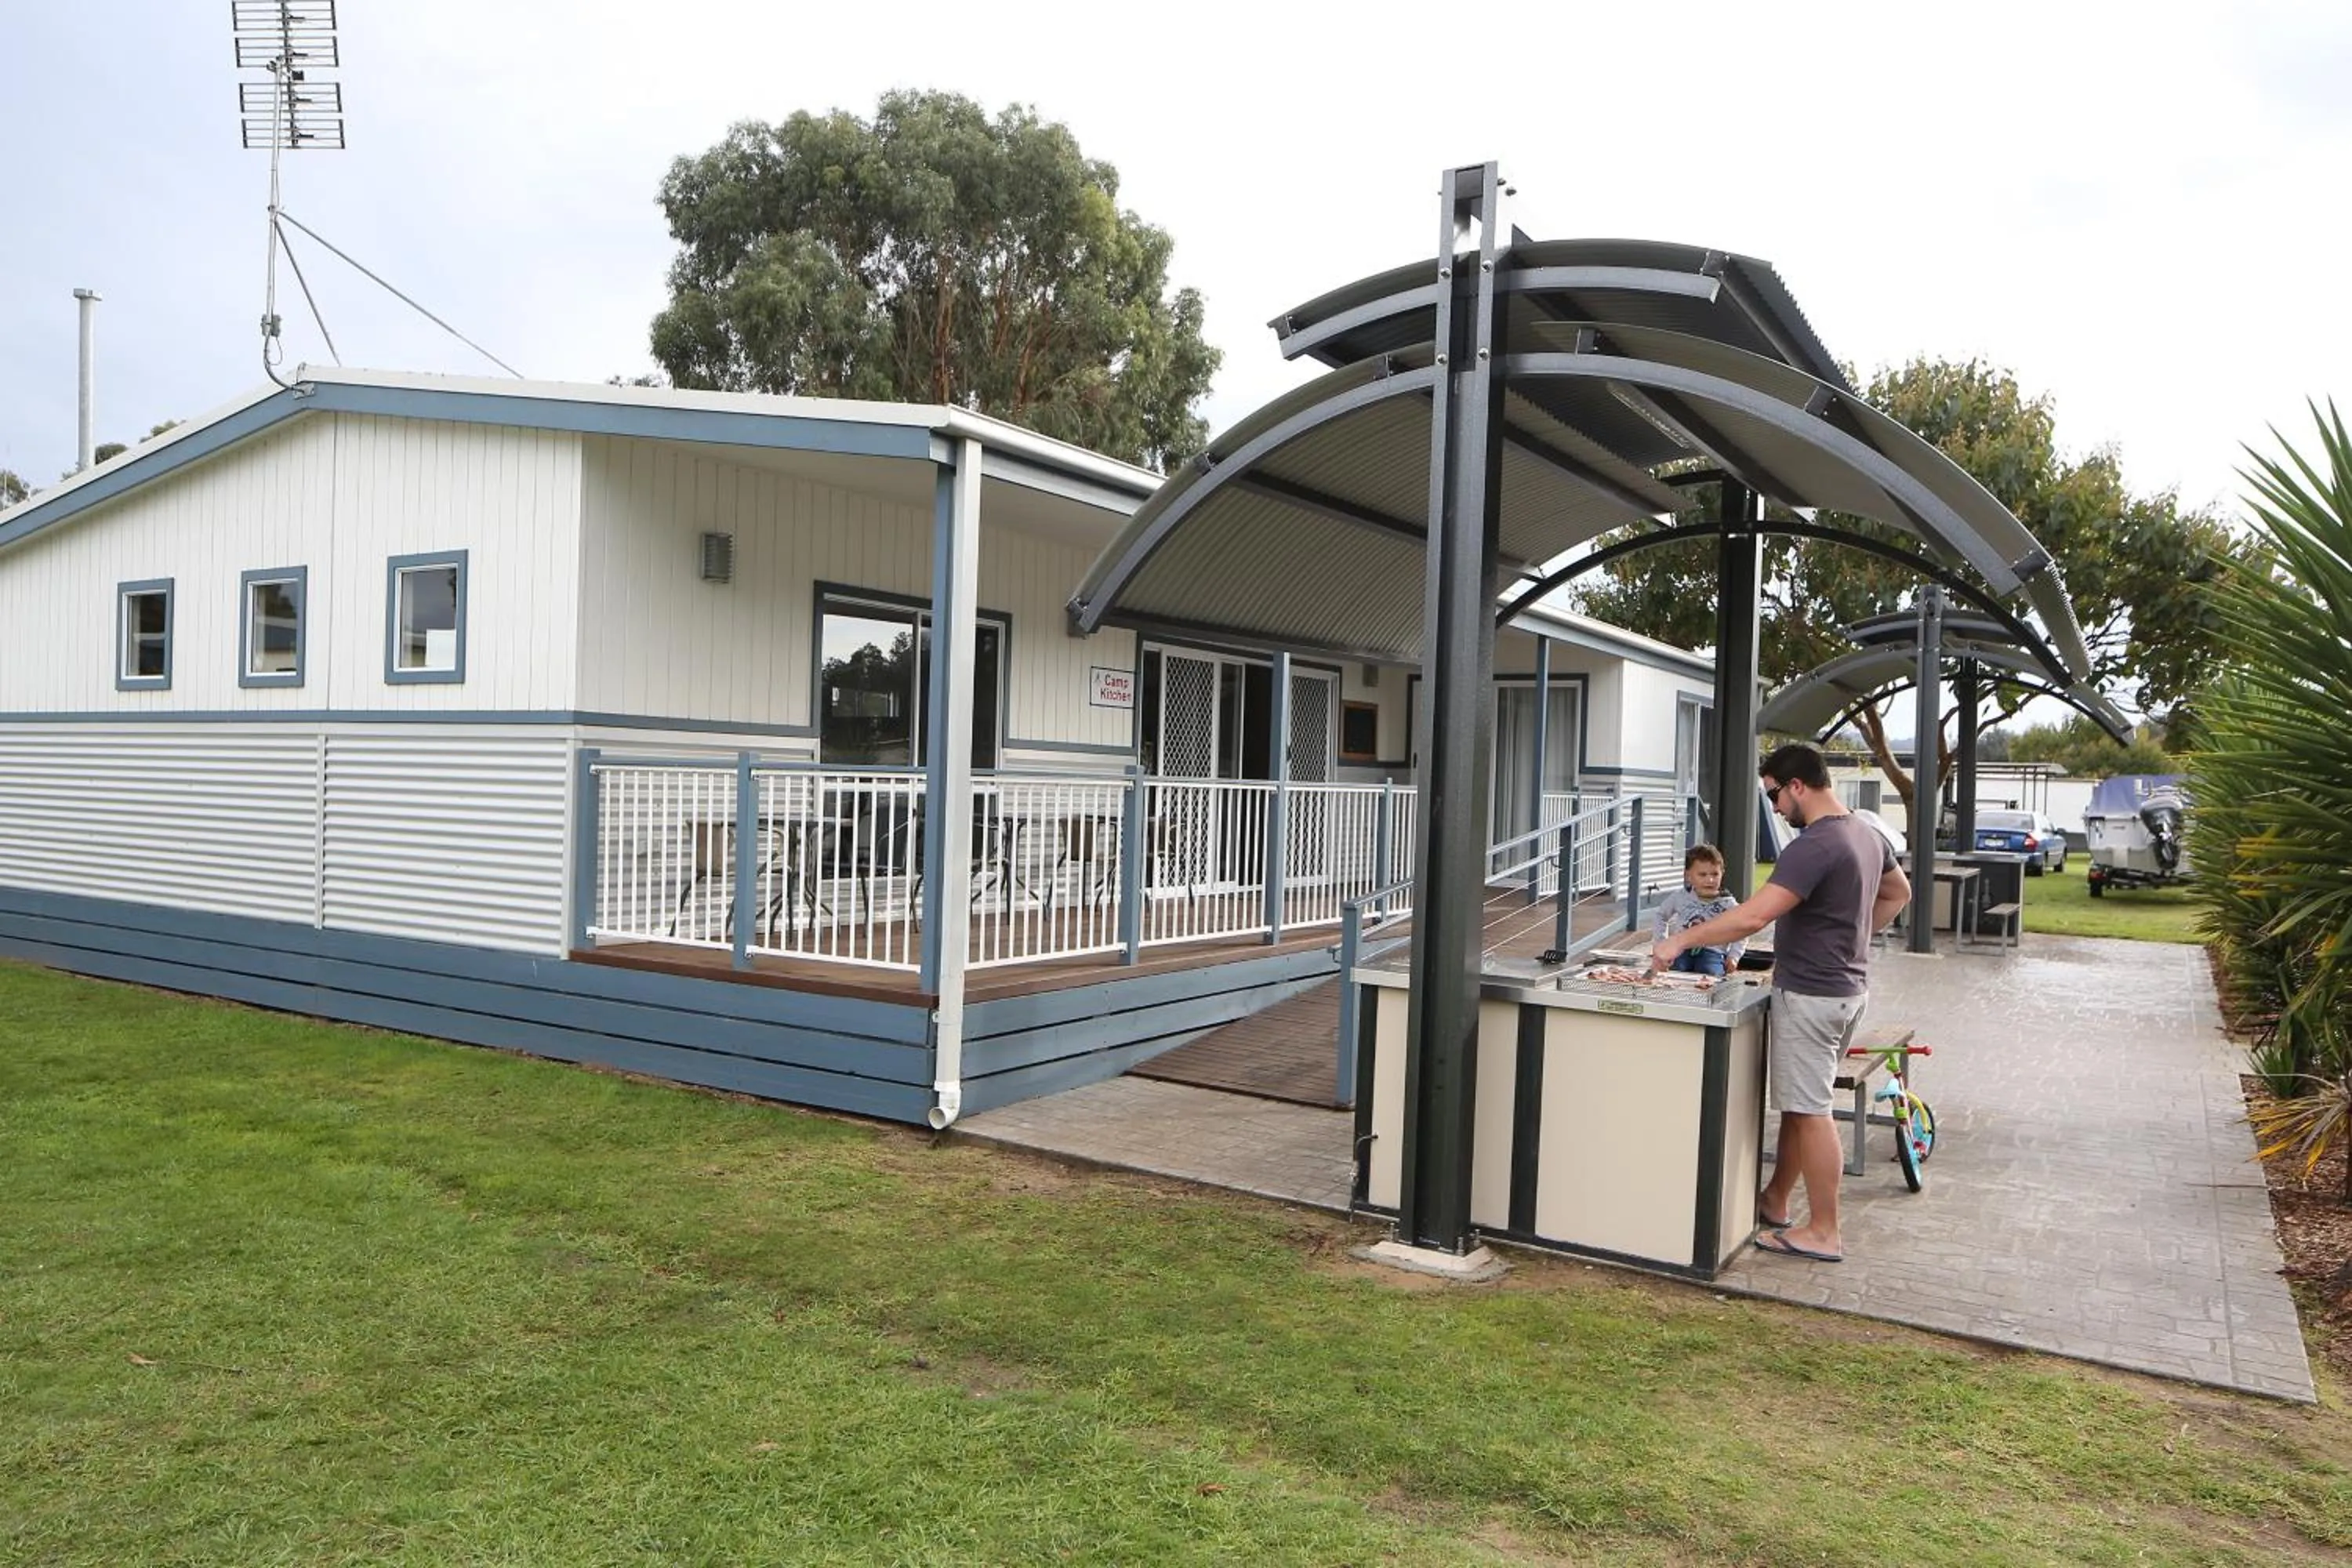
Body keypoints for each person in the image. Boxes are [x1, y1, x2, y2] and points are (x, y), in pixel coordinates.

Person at [1650, 742, 1911, 1263]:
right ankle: (1775, 1199)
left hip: (1813, 996)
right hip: (1845, 991)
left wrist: (1680, 942)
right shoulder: (1865, 831)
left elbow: (1752, 917)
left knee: (1812, 1112)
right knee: (1802, 1104)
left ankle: (1824, 1231)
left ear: (1797, 786)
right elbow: (1898, 893)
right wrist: (1851, 941)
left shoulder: (1814, 845)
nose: (1772, 807)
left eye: (1773, 794)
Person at [1651, 844, 1744, 977]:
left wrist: (1734, 956)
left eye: (1715, 874)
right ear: (1688, 876)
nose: (1710, 880)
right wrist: (1661, 944)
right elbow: (1661, 915)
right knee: (1675, 971)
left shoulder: (1728, 903)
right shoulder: (1681, 897)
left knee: (1710, 973)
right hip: (1682, 948)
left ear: (1722, 873)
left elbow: (1742, 929)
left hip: (1713, 951)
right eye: (1702, 875)